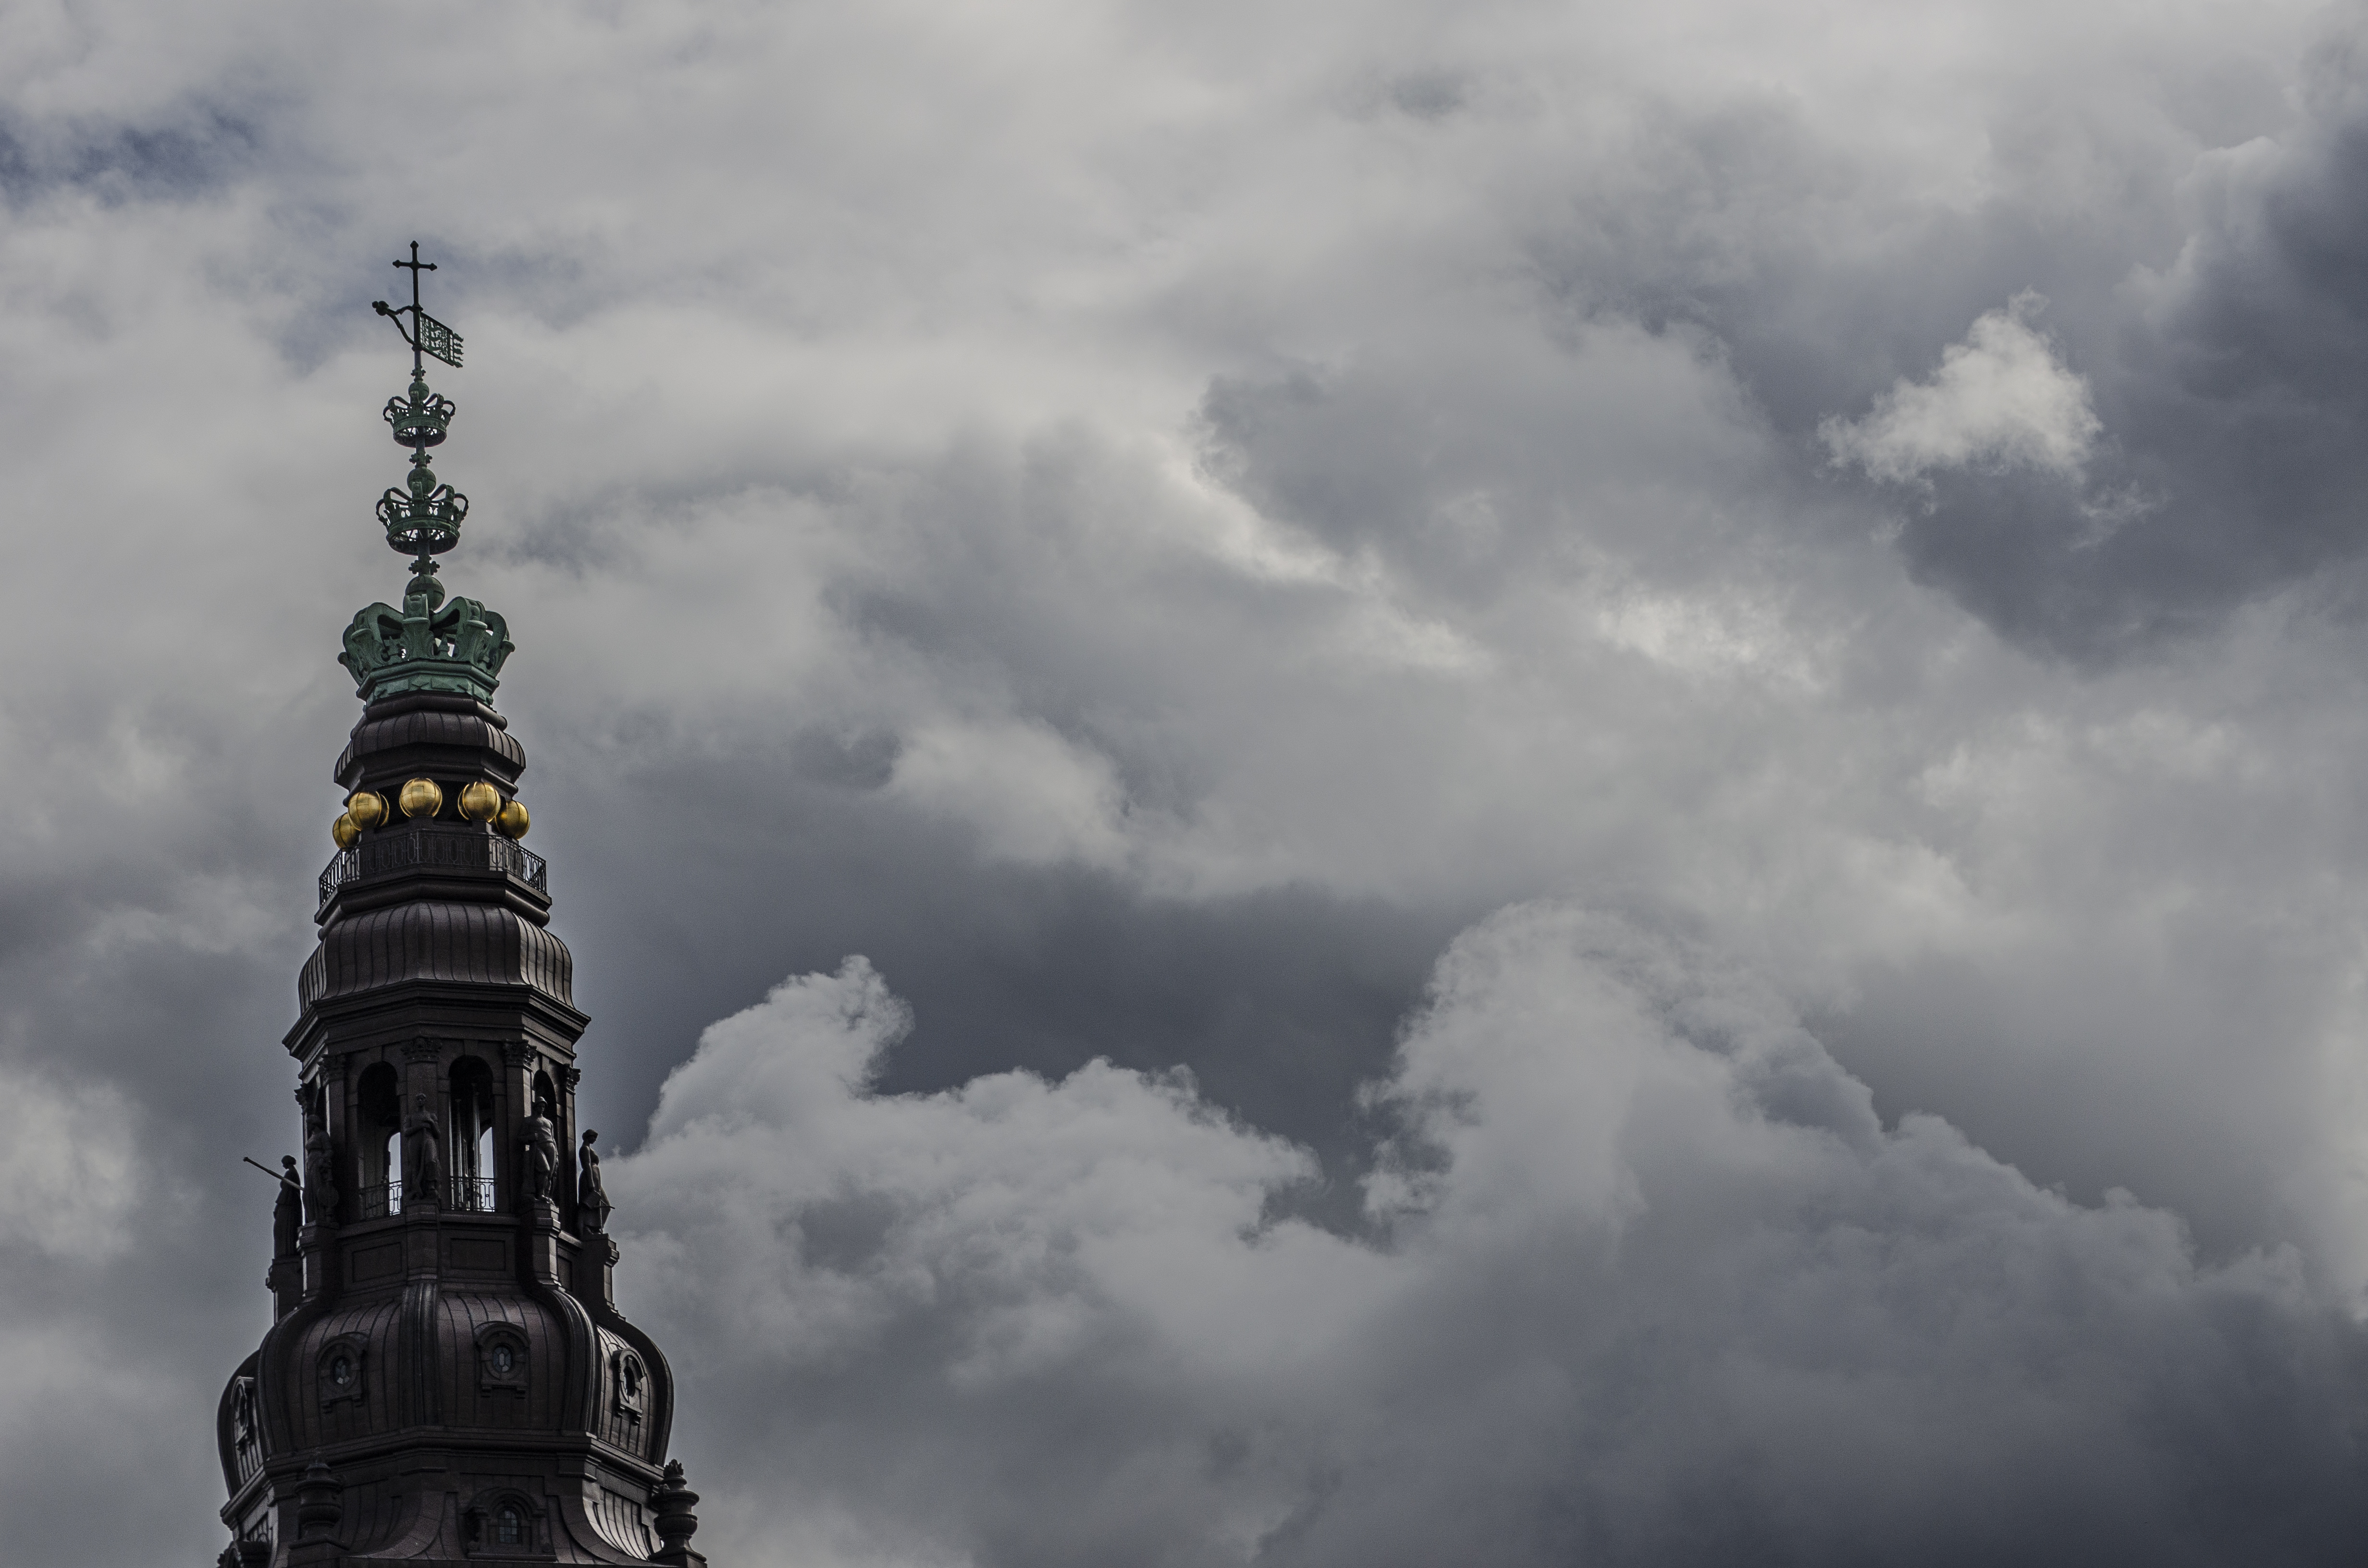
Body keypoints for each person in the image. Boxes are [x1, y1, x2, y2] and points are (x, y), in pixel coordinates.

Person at [404, 1094, 443, 1209]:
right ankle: (417, 1191)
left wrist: (431, 1122)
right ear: (415, 1101)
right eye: (418, 1099)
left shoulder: (431, 1115)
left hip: (428, 1139)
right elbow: (406, 1132)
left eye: (422, 1099)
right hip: (415, 1142)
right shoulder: (410, 1117)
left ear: (425, 1101)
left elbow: (438, 1134)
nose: (420, 1101)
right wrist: (420, 1126)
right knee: (415, 1166)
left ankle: (431, 1186)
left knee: (431, 1160)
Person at [578, 1129, 612, 1231]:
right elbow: (587, 1165)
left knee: (605, 1206)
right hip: (590, 1177)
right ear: (589, 1136)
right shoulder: (585, 1149)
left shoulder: (589, 1149)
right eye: (594, 1137)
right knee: (591, 1204)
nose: (595, 1140)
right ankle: (588, 1227)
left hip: (596, 1178)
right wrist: (591, 1182)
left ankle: (597, 1227)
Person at [272, 1155, 302, 1257]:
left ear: (287, 1163)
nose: (283, 1165)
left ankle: (286, 1253)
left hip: (288, 1205)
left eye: (283, 1163)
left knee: (283, 1230)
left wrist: (278, 1206)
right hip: (290, 1204)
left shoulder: (290, 1174)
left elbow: (286, 1191)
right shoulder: (293, 1173)